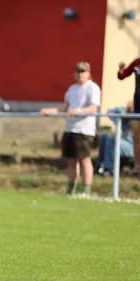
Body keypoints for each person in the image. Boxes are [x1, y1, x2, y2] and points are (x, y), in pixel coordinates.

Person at [41, 62, 101, 196]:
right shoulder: (71, 89)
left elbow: (93, 108)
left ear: (89, 73)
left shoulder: (93, 88)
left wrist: (78, 111)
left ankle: (86, 190)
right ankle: (70, 190)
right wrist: (49, 111)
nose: (80, 74)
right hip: (70, 129)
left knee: (85, 159)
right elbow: (64, 108)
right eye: (78, 71)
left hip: (84, 130)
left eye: (83, 72)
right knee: (71, 160)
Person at [96, 102, 135, 176]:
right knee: (104, 136)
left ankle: (109, 168)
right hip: (123, 143)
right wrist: (125, 110)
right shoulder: (124, 119)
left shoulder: (137, 118)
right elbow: (109, 112)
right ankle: (100, 165)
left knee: (111, 140)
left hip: (132, 147)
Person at [117, 59, 140, 178]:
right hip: (138, 106)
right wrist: (121, 69)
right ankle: (137, 167)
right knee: (136, 137)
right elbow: (122, 76)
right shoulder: (137, 62)